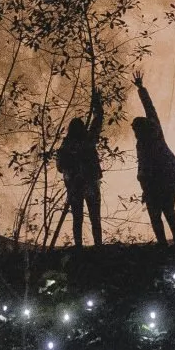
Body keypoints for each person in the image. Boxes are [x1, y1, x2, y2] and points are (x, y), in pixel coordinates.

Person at [132, 74, 175, 244]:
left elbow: (144, 170)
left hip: (160, 179)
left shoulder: (145, 144)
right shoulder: (155, 129)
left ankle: (164, 244)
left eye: (134, 130)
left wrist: (146, 189)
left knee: (157, 213)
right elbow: (150, 107)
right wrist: (141, 89)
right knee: (168, 210)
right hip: (171, 175)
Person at [55, 87, 104, 248]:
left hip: (80, 185)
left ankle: (82, 247)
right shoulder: (86, 141)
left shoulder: (68, 144)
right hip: (85, 184)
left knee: (81, 217)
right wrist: (97, 104)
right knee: (91, 217)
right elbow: (97, 122)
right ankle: (94, 246)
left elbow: (60, 166)